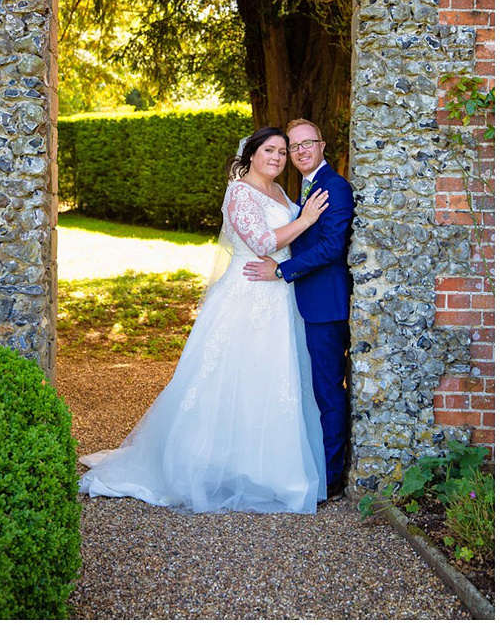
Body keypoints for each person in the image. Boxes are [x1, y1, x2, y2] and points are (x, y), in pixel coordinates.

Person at [79, 127, 329, 513]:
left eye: (283, 151)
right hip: (246, 294)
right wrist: (308, 219)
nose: (278, 157)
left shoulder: (280, 192)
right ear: (251, 154)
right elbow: (261, 242)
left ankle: (264, 470)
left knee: (272, 380)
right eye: (270, 150)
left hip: (279, 293)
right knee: (229, 380)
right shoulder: (240, 192)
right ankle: (208, 466)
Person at [244, 119, 354, 501]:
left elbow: (332, 248)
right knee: (309, 388)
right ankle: (314, 466)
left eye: (309, 144)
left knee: (326, 390)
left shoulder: (335, 187)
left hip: (325, 303)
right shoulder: (302, 188)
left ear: (323, 146)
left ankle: (331, 478)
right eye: (294, 147)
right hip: (304, 302)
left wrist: (281, 270)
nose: (301, 151)